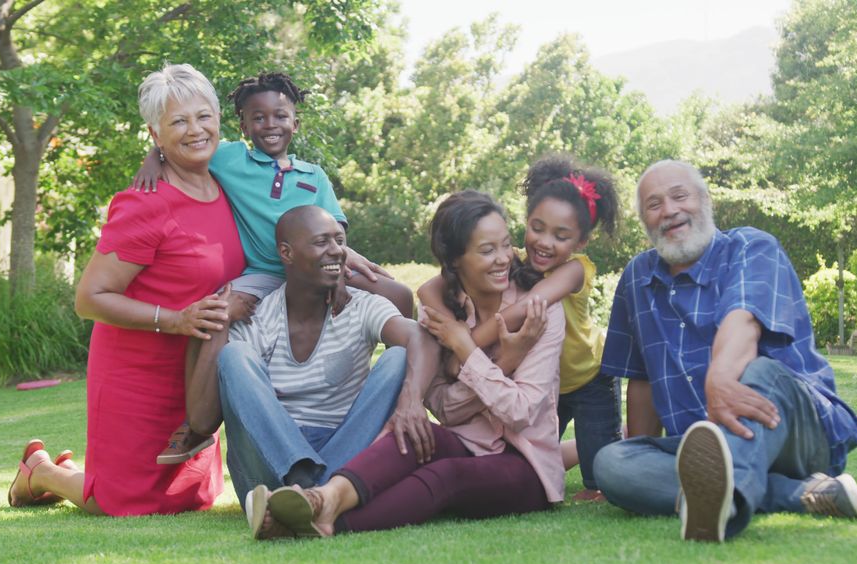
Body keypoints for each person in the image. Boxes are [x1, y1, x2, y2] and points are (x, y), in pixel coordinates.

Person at [248, 190, 566, 539]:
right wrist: (505, 362)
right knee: (412, 435)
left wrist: (466, 349)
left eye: (506, 245)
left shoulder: (540, 310)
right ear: (456, 260)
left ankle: (328, 523)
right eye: (487, 250)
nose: (504, 258)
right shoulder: (441, 314)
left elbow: (520, 412)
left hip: (526, 465)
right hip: (469, 442)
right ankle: (322, 497)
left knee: (445, 476)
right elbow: (447, 410)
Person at [133, 71, 413, 463]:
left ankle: (404, 400)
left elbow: (336, 231)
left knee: (397, 292)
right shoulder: (230, 159)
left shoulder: (312, 175)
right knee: (218, 311)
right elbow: (182, 141)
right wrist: (152, 159)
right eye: (258, 117)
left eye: (280, 116)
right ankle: (196, 423)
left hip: (317, 266)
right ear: (244, 124)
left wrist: (341, 268)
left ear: (295, 122)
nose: (270, 125)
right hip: (263, 273)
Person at [7, 63, 243, 515]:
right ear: (155, 134)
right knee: (121, 502)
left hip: (195, 374)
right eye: (178, 122)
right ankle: (40, 470)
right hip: (137, 371)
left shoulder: (232, 182)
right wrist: (175, 319)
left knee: (195, 497)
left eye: (204, 116)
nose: (196, 130)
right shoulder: (144, 204)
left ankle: (54, 470)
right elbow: (89, 298)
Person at [592, 160, 857, 542]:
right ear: (644, 221)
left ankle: (727, 503)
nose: (669, 211)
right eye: (654, 205)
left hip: (788, 430)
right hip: (701, 447)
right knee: (612, 463)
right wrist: (645, 450)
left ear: (705, 201)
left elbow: (743, 321)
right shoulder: (637, 277)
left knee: (757, 372)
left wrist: (721, 377)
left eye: (679, 196)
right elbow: (640, 379)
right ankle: (798, 493)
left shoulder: (752, 246)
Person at [202, 205, 439, 515]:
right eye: (321, 242)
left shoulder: (361, 306)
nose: (337, 251)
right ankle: (310, 486)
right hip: (266, 468)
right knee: (234, 355)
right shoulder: (259, 318)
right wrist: (221, 319)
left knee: (397, 357)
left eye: (340, 241)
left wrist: (412, 398)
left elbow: (421, 337)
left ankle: (310, 496)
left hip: (342, 451)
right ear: (286, 253)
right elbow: (204, 419)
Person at [417, 154, 622, 501]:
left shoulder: (574, 270)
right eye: (537, 228)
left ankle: (622, 443)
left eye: (561, 235)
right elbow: (428, 288)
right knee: (537, 456)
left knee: (600, 477)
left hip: (588, 378)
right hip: (546, 383)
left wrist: (464, 346)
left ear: (580, 242)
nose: (544, 242)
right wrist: (448, 323)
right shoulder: (510, 257)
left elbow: (529, 305)